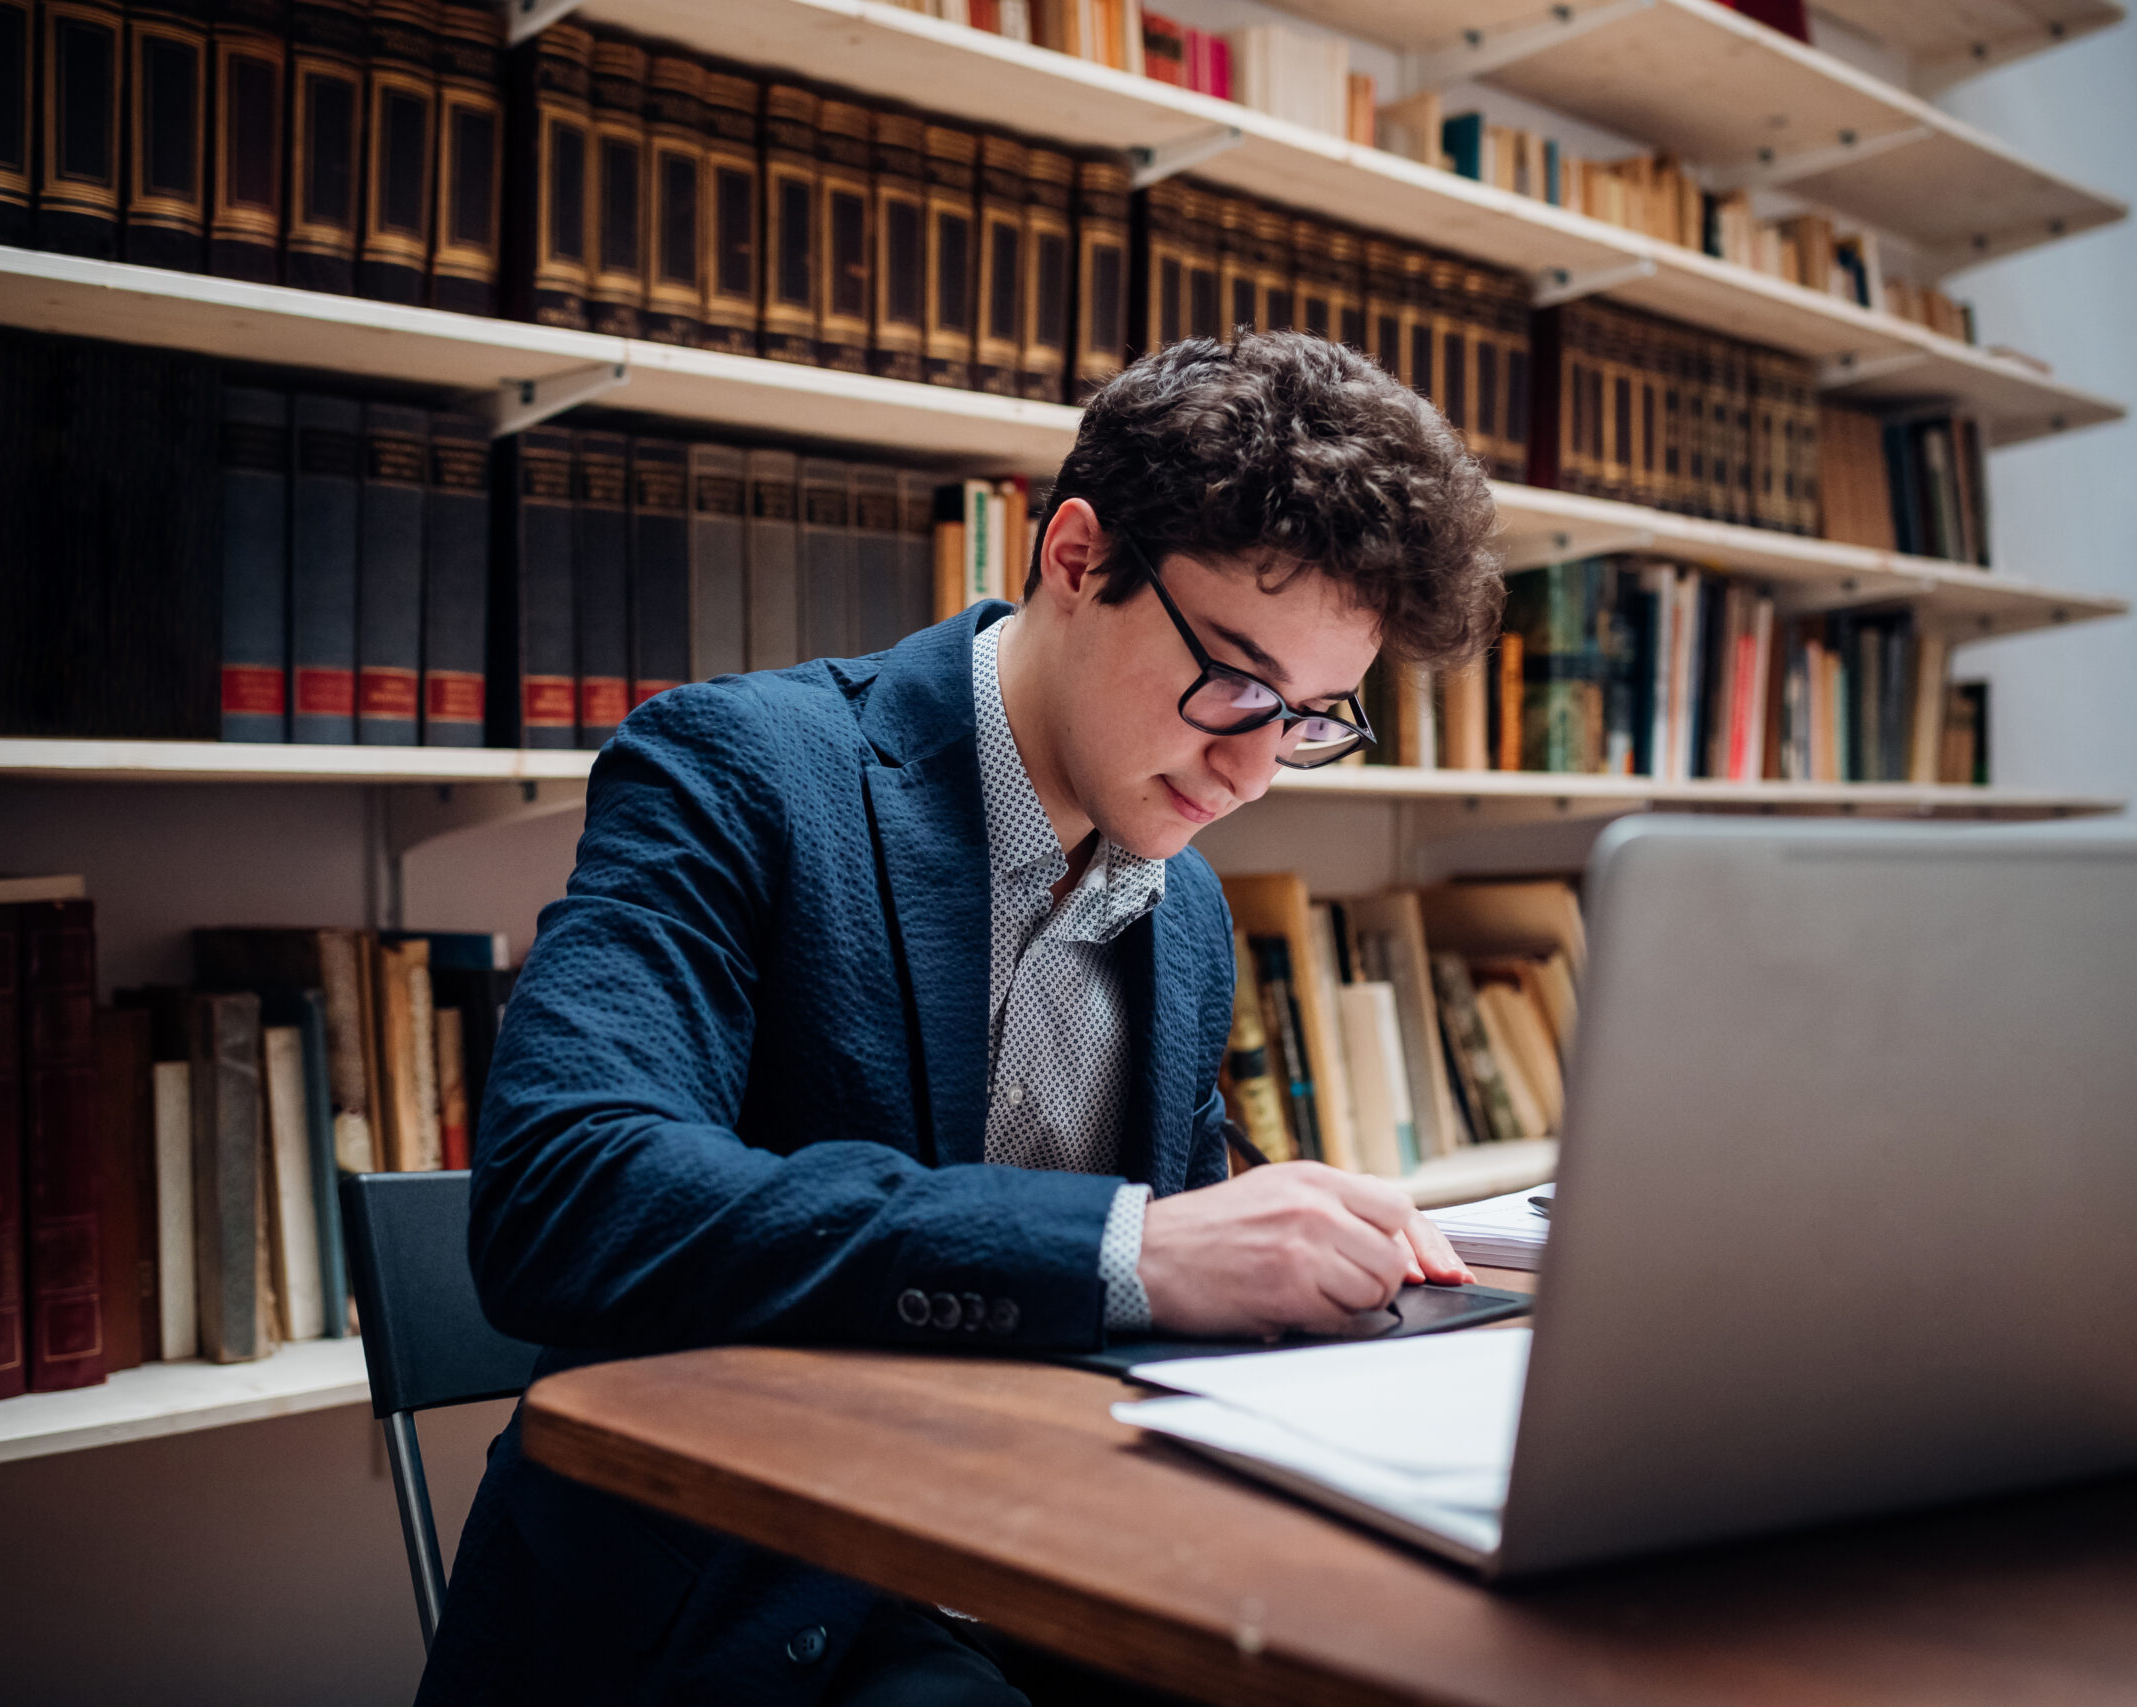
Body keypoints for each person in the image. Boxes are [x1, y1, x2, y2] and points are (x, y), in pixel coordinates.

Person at [417, 330, 1508, 1706]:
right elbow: (565, 1196)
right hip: (745, 1605)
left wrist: (1308, 1276)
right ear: (1074, 557)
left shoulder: (1184, 908)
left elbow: (1156, 1308)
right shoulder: (738, 768)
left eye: (1309, 721)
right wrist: (1136, 1247)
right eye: (1234, 681)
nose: (1250, 771)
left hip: (1060, 1564)